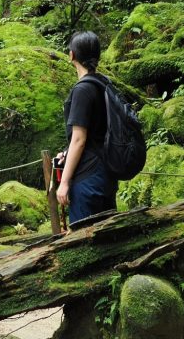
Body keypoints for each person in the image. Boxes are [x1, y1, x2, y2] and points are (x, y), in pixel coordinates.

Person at [56, 31, 116, 229]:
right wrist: (67, 154)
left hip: (87, 178)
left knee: (85, 242)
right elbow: (97, 132)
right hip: (106, 172)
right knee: (110, 237)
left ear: (72, 55)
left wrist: (64, 182)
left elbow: (79, 139)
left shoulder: (82, 89)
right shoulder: (104, 84)